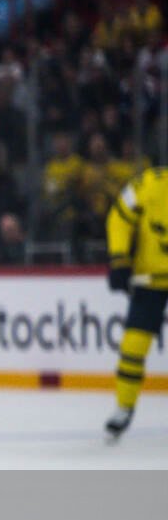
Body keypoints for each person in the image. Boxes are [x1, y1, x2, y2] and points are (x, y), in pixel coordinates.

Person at [103, 165, 168, 442]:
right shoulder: (148, 184)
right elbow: (118, 217)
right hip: (149, 280)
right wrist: (119, 259)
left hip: (149, 278)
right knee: (133, 345)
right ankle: (124, 407)